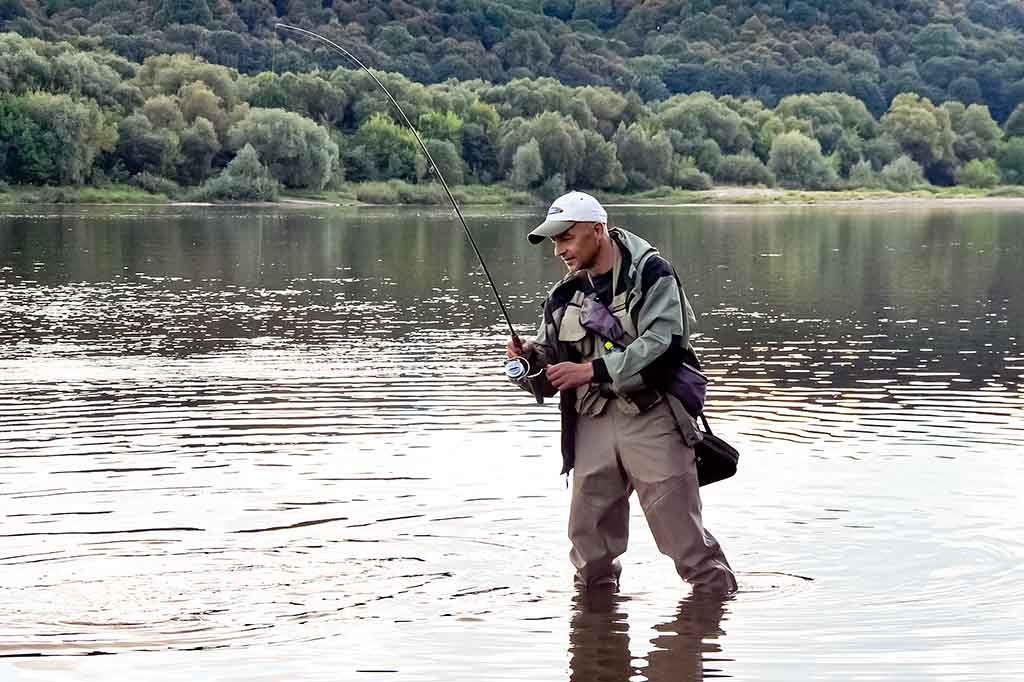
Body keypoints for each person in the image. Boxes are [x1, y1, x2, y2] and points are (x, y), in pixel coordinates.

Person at [507, 190, 737, 595]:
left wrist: (590, 370)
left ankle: (712, 621)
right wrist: (527, 362)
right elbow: (548, 366)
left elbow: (663, 345)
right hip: (592, 423)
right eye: (554, 241)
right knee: (589, 550)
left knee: (686, 543)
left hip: (653, 416)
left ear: (597, 231)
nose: (559, 249)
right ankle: (595, 635)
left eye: (566, 237)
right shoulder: (563, 296)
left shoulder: (652, 273)